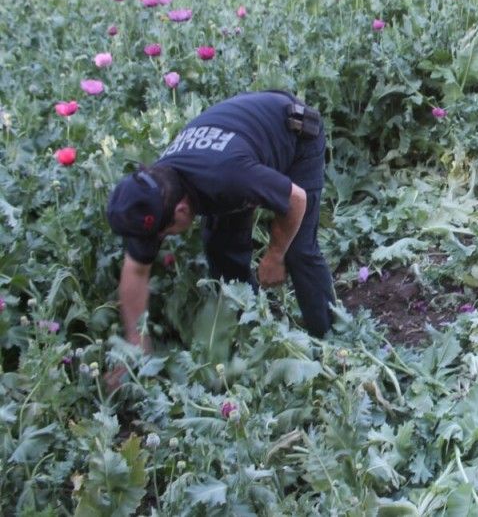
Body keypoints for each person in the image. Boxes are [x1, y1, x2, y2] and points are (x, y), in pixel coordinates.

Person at [105, 91, 336, 381]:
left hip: (295, 132)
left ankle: (333, 342)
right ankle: (254, 335)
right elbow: (135, 270)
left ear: (181, 210)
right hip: (242, 150)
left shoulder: (225, 176)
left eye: (163, 233)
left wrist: (275, 255)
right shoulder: (158, 191)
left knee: (298, 251)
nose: (159, 240)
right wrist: (135, 344)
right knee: (221, 249)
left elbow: (296, 200)